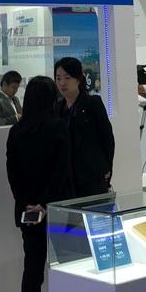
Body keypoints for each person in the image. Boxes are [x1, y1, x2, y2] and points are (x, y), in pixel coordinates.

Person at [6, 76, 72, 292]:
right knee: (66, 269)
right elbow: (61, 172)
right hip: (57, 209)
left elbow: (12, 173)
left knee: (32, 273)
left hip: (28, 213)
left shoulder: (16, 131)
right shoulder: (58, 127)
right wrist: (44, 204)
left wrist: (28, 203)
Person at [55, 57, 114, 196]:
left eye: (67, 78)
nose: (62, 83)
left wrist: (106, 168)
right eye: (58, 78)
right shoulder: (57, 108)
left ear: (78, 79)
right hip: (67, 177)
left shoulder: (92, 103)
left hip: (91, 175)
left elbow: (107, 139)